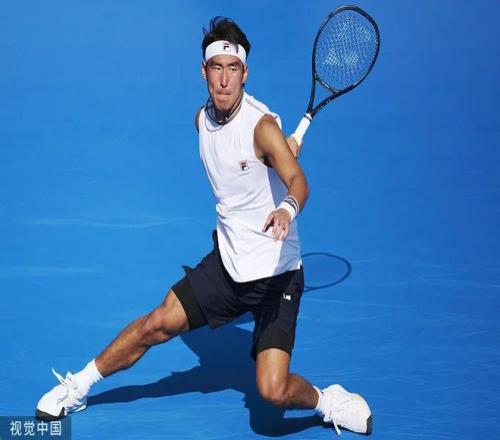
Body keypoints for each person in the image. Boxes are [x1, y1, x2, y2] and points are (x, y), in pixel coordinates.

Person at [36, 17, 372, 436]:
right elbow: (243, 171)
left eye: (233, 69)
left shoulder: (264, 128)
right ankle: (79, 386)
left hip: (276, 278)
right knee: (156, 323)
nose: (225, 80)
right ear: (204, 71)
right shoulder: (202, 121)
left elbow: (299, 182)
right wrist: (270, 160)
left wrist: (286, 207)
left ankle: (327, 401)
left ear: (245, 73)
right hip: (228, 268)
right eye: (217, 67)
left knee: (273, 392)